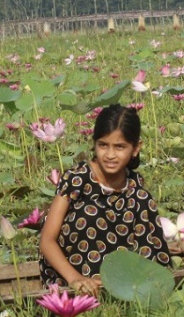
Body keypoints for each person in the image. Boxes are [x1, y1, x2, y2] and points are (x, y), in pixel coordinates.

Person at [39, 104, 171, 297]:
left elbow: (148, 244)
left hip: (121, 280)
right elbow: (47, 240)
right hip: (70, 278)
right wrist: (75, 278)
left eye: (119, 147)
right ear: (94, 144)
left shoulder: (135, 187)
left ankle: (138, 286)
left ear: (136, 148)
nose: (110, 155)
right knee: (89, 211)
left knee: (142, 199)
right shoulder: (76, 179)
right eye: (103, 145)